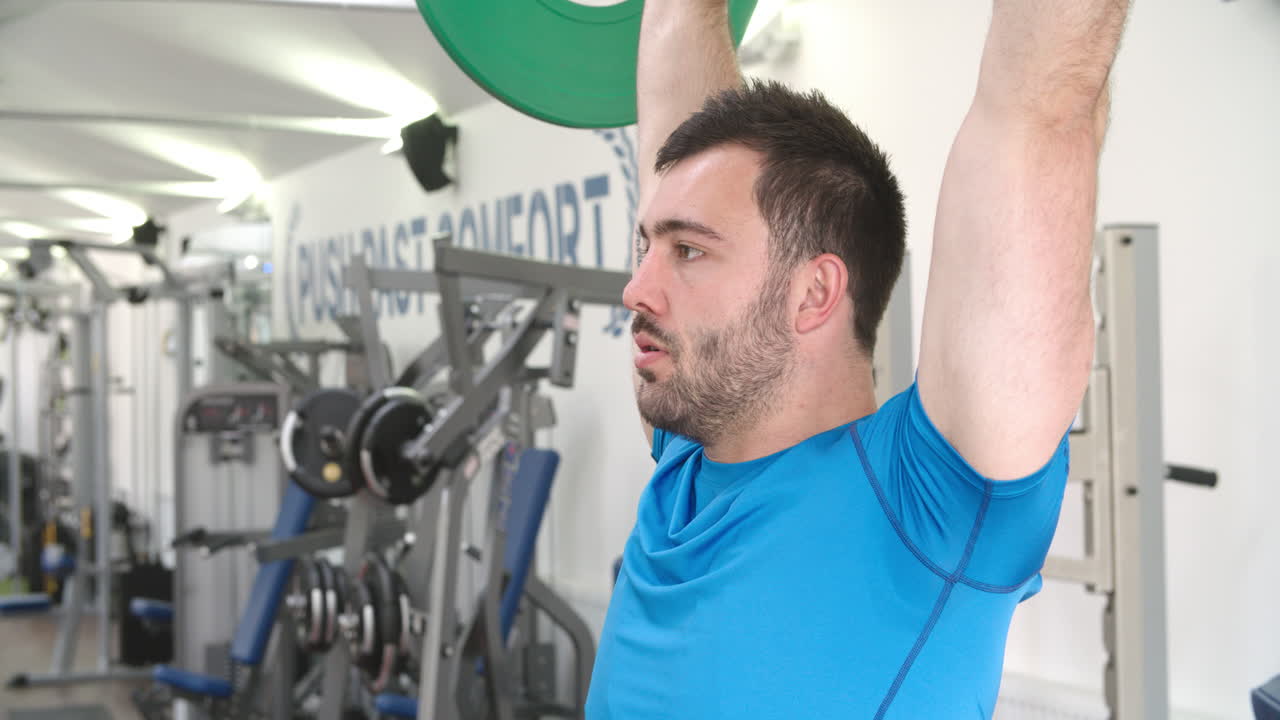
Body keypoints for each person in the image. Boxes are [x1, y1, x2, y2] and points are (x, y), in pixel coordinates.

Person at [587, 1, 1129, 718]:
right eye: (644, 247)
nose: (636, 289)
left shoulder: (931, 501)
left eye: (687, 251)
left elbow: (1042, 109)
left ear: (813, 293)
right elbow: (677, 23)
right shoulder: (689, 451)